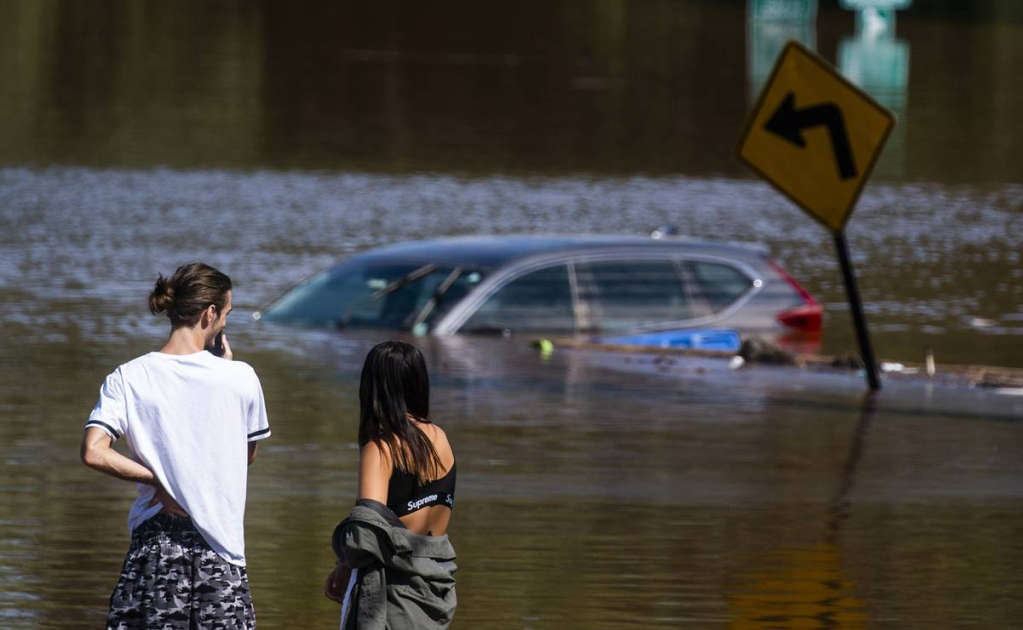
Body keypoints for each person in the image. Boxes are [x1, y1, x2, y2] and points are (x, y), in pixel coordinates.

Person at [81, 262, 270, 630]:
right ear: (210, 313)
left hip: (155, 546)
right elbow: (244, 458)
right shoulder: (241, 377)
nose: (226, 323)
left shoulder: (128, 376)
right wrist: (225, 370)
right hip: (220, 550)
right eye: (227, 313)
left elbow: (94, 451)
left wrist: (158, 480)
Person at [325, 341, 458, 630]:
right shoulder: (440, 438)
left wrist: (344, 564)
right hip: (435, 584)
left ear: (373, 387)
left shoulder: (382, 446)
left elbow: (365, 534)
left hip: (393, 595)